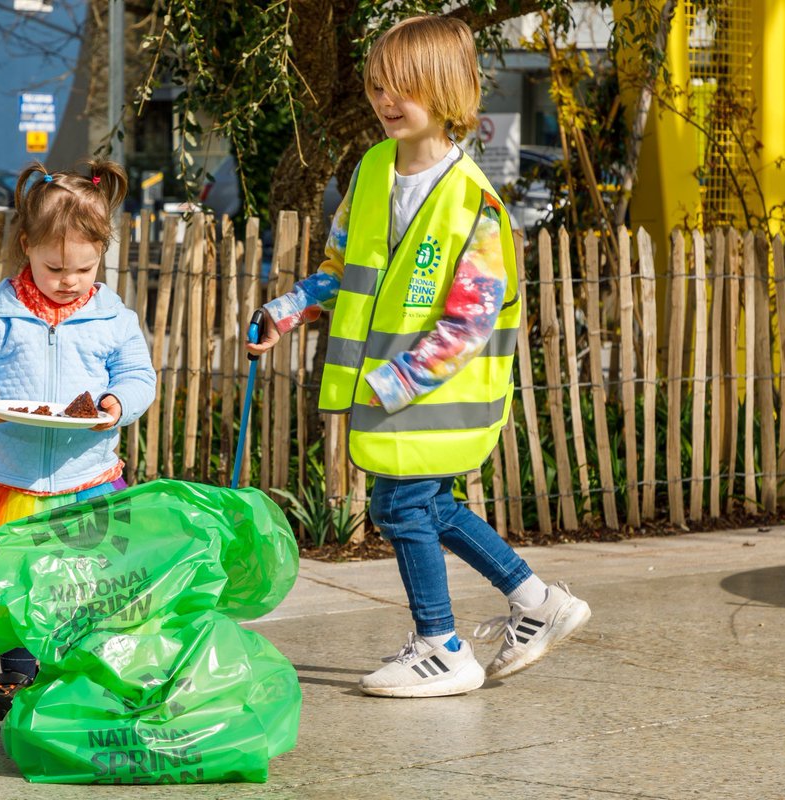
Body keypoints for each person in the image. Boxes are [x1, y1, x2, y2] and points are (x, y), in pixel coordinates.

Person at [247, 15, 590, 698]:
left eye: (403, 87)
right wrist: (290, 308)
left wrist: (398, 381)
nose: (384, 101)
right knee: (427, 507)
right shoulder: (373, 169)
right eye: (377, 86)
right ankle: (539, 603)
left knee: (402, 507)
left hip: (428, 392)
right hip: (391, 388)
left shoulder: (473, 201)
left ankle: (442, 646)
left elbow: (471, 317)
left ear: (447, 90)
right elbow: (344, 264)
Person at [0, 158, 156, 726]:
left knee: (81, 588)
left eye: (84, 266)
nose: (69, 280)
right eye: (54, 267)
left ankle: (73, 681)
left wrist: (117, 405)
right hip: (10, 481)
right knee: (15, 588)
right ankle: (16, 678)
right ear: (25, 245)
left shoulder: (113, 318)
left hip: (87, 482)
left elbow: (138, 376)